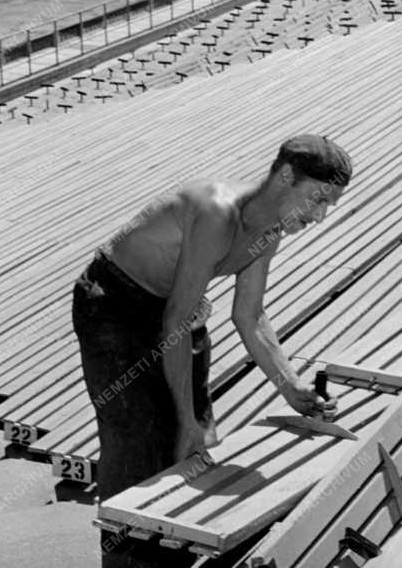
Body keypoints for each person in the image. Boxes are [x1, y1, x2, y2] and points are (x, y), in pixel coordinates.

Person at [71, 133, 352, 565]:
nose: (318, 216)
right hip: (115, 304)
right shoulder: (218, 213)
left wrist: (292, 388)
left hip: (174, 308)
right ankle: (126, 558)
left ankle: (174, 549)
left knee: (197, 443)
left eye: (328, 205)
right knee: (139, 441)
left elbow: (250, 316)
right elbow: (176, 322)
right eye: (315, 199)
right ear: (285, 177)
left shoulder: (268, 230)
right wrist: (185, 418)